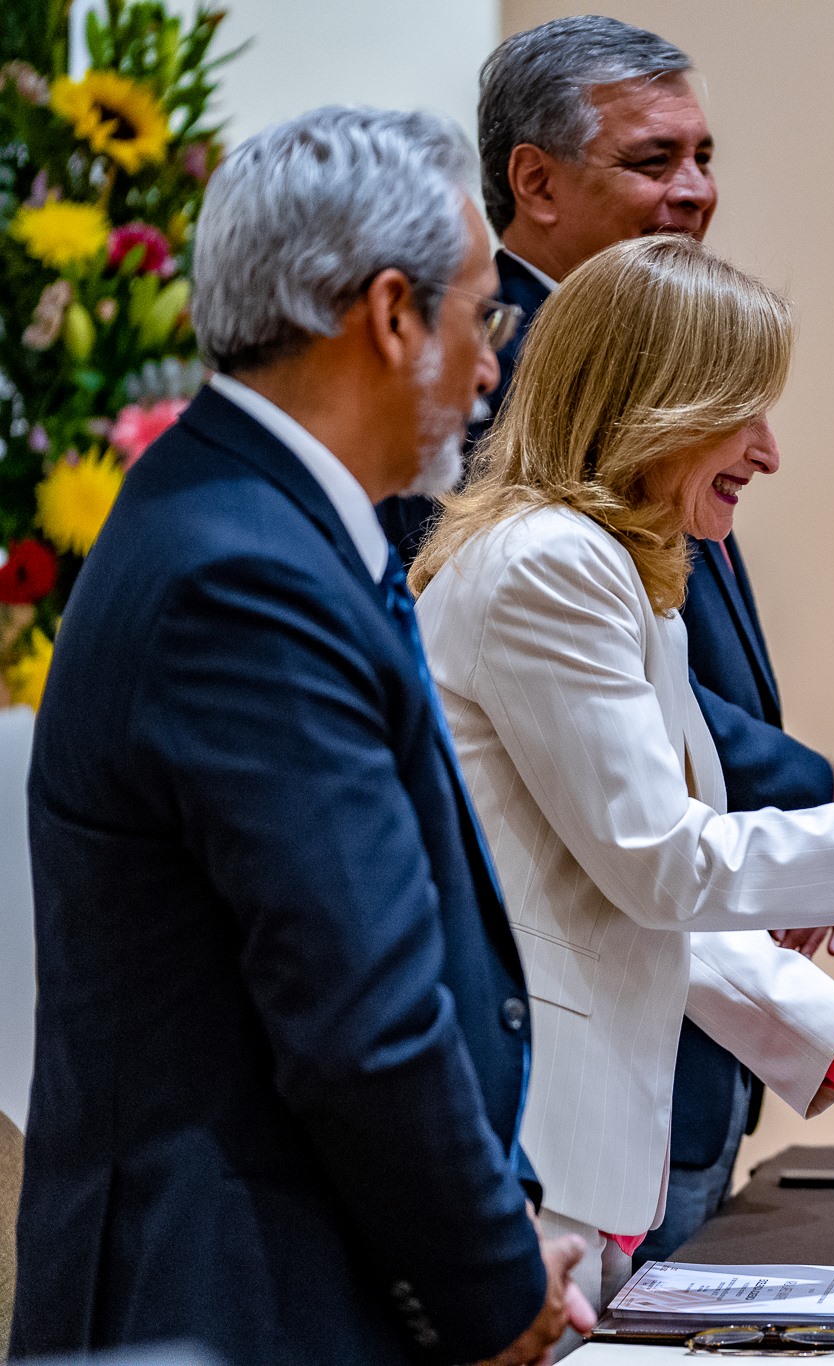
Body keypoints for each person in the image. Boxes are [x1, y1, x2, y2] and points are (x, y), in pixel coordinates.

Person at [11, 108, 589, 1364]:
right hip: (235, 1293)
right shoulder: (242, 570)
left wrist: (501, 1213)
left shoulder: (259, 519)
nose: (491, 369)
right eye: (480, 318)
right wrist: (496, 1279)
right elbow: (361, 1010)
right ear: (390, 316)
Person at [411, 232, 834, 1311]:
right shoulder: (550, 565)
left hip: (575, 1152)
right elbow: (660, 863)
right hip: (525, 1142)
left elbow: (630, 896)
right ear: (653, 405)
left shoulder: (615, 568)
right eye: (741, 413)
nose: (769, 451)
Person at [399, 17, 834, 1255]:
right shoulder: (504, 434)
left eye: (705, 154)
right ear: (534, 180)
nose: (696, 190)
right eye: (655, 156)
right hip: (549, 1099)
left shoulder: (601, 535)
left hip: (659, 1050)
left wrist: (830, 1025)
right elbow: (644, 853)